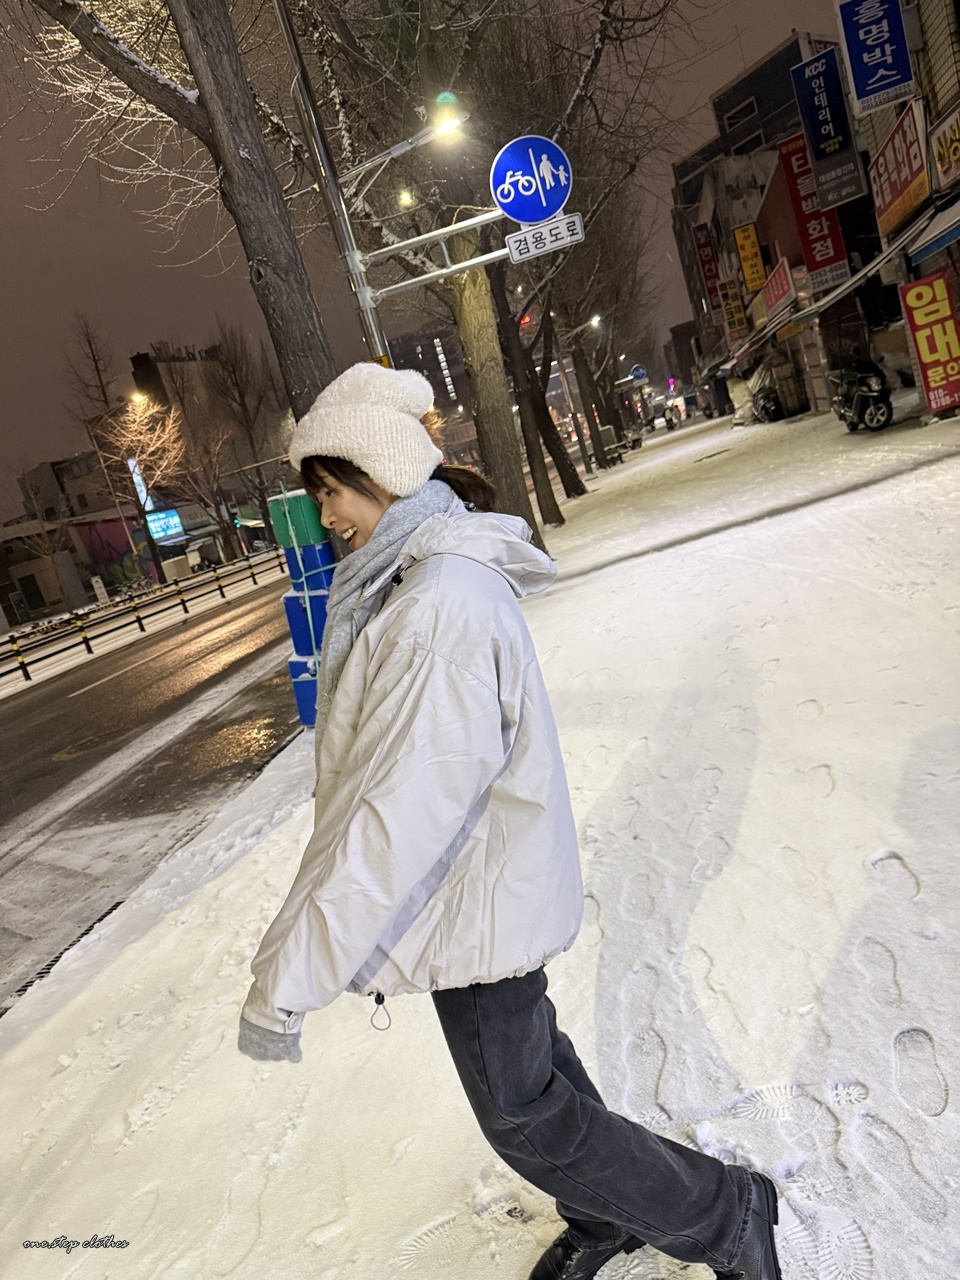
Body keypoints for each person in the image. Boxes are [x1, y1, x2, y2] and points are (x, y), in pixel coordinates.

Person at [237, 362, 783, 1280]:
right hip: (473, 889)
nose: (325, 516)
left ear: (385, 473)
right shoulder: (417, 584)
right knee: (538, 1076)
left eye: (332, 490)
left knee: (526, 1116)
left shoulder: (434, 607)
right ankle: (607, 1216)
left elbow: (396, 819)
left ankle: (724, 1213)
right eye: (318, 494)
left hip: (471, 895)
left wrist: (288, 980)